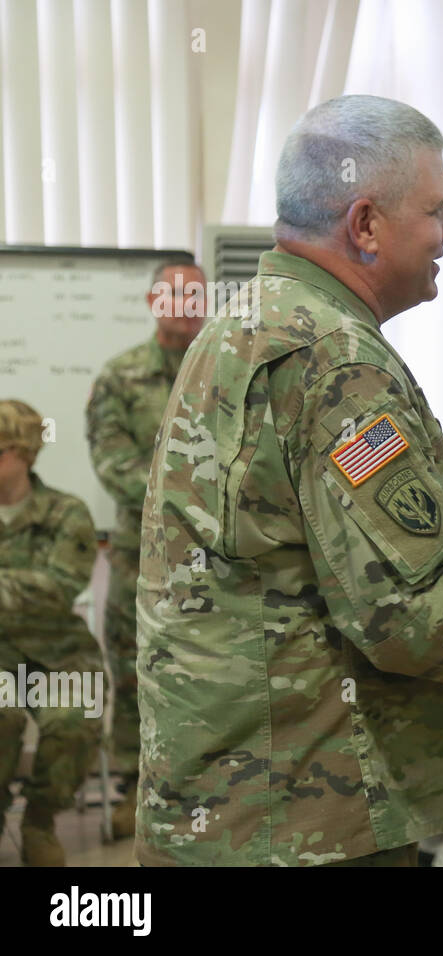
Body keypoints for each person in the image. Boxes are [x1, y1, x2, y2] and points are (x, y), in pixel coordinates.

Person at [133, 94, 443, 867]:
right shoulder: (334, 361)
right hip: (302, 821)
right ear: (365, 225)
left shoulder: (247, 322)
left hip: (229, 808)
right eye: (439, 210)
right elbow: (418, 613)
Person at [86, 259, 205, 839]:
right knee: (135, 676)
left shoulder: (227, 369)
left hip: (217, 565)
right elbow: (112, 464)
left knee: (204, 675)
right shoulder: (119, 377)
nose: (186, 305)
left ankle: (198, 798)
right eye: (175, 295)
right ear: (154, 301)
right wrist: (188, 499)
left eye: (196, 295)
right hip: (142, 559)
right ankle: (132, 800)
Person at [0, 400, 102, 866]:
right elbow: (36, 586)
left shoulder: (67, 512)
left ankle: (40, 819)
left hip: (57, 653)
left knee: (75, 716)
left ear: (24, 453)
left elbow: (58, 589)